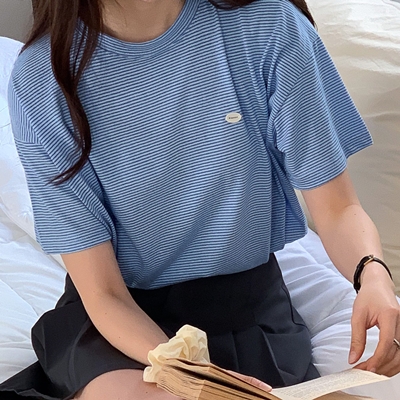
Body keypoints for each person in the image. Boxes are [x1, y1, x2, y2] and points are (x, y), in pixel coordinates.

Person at [1, 0, 399, 399]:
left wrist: (373, 275)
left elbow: (338, 209)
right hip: (118, 322)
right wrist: (186, 372)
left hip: (247, 310)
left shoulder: (271, 28)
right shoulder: (42, 78)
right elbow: (103, 293)